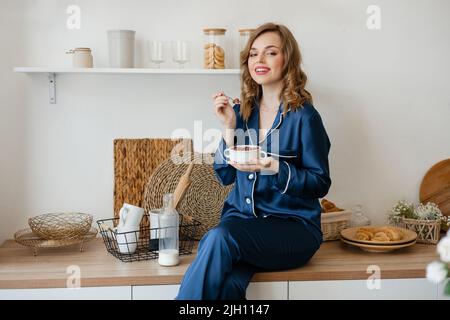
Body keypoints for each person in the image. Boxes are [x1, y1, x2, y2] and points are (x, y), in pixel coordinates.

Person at [176, 22, 331, 300]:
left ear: (288, 60)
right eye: (253, 54)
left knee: (218, 238)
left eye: (270, 53)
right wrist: (228, 126)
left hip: (293, 229)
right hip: (241, 223)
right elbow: (223, 174)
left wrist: (272, 165)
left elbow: (319, 183)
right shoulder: (241, 112)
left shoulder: (305, 117)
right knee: (228, 287)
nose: (259, 60)